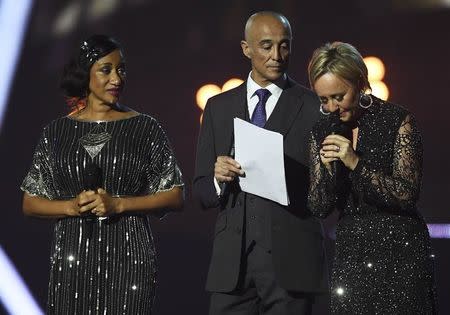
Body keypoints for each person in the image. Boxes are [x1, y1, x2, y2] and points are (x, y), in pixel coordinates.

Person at [21, 34, 184, 314]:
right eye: (106, 70)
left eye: (121, 69)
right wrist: (70, 206)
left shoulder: (145, 128)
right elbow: (30, 203)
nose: (117, 79)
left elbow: (175, 196)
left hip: (130, 262)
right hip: (71, 262)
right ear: (86, 73)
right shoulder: (56, 133)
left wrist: (119, 203)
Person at [194, 11, 328, 315]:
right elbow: (201, 191)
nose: (277, 56)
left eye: (284, 45)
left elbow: (327, 193)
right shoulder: (218, 107)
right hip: (233, 268)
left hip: (291, 264)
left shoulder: (313, 107)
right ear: (246, 49)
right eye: (266, 46)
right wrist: (217, 178)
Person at [307, 41, 437, 314]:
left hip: (400, 250)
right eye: (323, 99)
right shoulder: (321, 129)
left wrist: (354, 162)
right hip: (352, 253)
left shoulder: (397, 119)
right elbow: (319, 206)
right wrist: (327, 168)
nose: (332, 107)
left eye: (339, 96)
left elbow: (406, 193)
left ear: (359, 82)